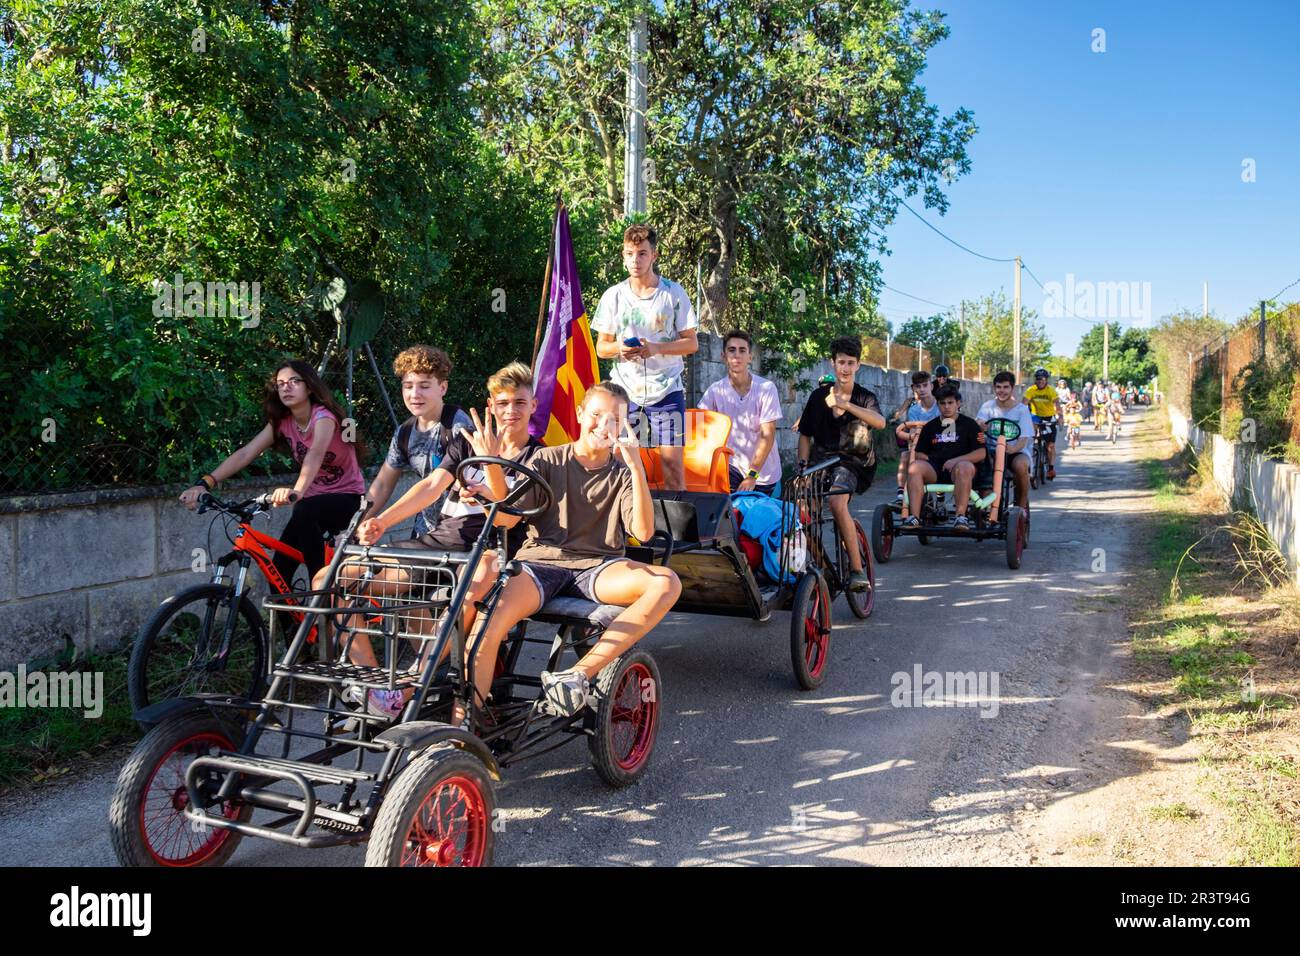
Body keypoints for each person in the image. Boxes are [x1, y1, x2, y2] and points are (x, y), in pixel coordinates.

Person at [328, 362, 543, 720]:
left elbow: (509, 518)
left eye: (520, 402)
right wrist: (382, 520)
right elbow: (430, 487)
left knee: (471, 589)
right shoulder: (464, 441)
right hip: (438, 543)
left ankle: (405, 688)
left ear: (533, 406)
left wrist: (486, 490)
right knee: (330, 580)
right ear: (490, 406)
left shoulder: (538, 456)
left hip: (491, 549)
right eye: (503, 403)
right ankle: (372, 687)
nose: (511, 411)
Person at [457, 381, 681, 721]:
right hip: (540, 564)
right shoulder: (547, 459)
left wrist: (636, 467)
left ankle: (577, 674)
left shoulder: (622, 473)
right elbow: (507, 517)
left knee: (667, 582)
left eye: (615, 420)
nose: (604, 426)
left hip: (599, 567)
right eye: (596, 415)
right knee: (486, 629)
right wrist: (487, 488)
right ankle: (463, 732)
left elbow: (644, 533)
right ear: (579, 414)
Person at [180, 359, 366, 588]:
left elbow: (316, 453)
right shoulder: (283, 422)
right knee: (278, 574)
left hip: (347, 498)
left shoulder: (324, 417)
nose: (286, 387)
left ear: (309, 387)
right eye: (280, 383)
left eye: (294, 381)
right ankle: (293, 625)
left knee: (304, 508)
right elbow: (247, 452)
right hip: (310, 504)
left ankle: (320, 591)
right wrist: (205, 483)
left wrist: (297, 491)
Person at [591, 223, 699, 491]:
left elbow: (692, 343)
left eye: (641, 253)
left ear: (654, 255)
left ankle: (677, 531)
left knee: (672, 464)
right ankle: (620, 527)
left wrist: (656, 348)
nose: (635, 260)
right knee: (618, 460)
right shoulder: (613, 296)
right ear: (623, 255)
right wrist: (620, 348)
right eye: (629, 254)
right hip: (625, 391)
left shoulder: (673, 293)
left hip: (667, 390)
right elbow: (601, 348)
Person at [796, 336, 884, 592]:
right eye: (841, 362)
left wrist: (846, 404)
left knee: (836, 502)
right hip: (819, 462)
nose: (845, 368)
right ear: (832, 363)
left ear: (858, 365)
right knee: (801, 511)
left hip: (852, 463)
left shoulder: (864, 397)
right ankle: (822, 568)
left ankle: (857, 571)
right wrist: (801, 467)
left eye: (851, 363)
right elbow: (805, 435)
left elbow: (879, 422)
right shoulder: (817, 397)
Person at [364, 345, 473, 540]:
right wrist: (357, 525)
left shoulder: (458, 426)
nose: (415, 394)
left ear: (443, 388)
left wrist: (383, 520)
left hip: (461, 534)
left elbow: (434, 486)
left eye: (424, 386)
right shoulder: (404, 432)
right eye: (408, 386)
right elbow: (381, 485)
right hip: (424, 532)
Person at [698, 329, 783, 495]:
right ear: (723, 356)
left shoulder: (766, 389)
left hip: (763, 473)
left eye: (742, 350)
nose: (737, 355)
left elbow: (768, 435)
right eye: (731, 350)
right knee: (730, 516)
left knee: (756, 518)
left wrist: (752, 475)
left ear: (750, 357)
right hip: (732, 469)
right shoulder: (715, 391)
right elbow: (700, 428)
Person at [905, 384, 986, 531]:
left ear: (958, 403)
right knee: (914, 467)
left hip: (962, 471)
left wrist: (956, 461)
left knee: (963, 467)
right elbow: (919, 452)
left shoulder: (970, 424)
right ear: (938, 404)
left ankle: (961, 517)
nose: (946, 407)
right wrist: (927, 459)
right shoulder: (930, 426)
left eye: (950, 403)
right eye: (942, 403)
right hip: (936, 469)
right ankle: (914, 517)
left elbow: (981, 453)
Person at [974, 371, 1034, 516]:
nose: (1002, 391)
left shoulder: (1022, 410)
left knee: (1020, 466)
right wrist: (980, 425)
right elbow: (979, 422)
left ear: (1012, 388)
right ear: (994, 388)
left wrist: (1012, 449)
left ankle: (1020, 505)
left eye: (1006, 387)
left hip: (1015, 451)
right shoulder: (988, 406)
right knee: (977, 463)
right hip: (991, 450)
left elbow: (1024, 438)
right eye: (999, 387)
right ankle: (983, 504)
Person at [891, 370, 939, 505]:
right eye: (918, 386)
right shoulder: (914, 410)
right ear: (914, 388)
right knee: (905, 456)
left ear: (931, 386)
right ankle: (901, 494)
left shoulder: (941, 406)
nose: (922, 389)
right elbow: (913, 435)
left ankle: (940, 500)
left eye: (925, 385)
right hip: (921, 447)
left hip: (939, 447)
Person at [1023, 368, 1062, 480]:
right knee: (1030, 438)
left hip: (1049, 417)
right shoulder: (1031, 390)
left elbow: (1057, 405)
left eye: (1042, 379)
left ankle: (1050, 468)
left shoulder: (1051, 391)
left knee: (1050, 445)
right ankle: (1031, 460)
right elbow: (1024, 404)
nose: (1040, 381)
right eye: (1038, 379)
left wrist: (1060, 417)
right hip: (1036, 416)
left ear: (1046, 380)